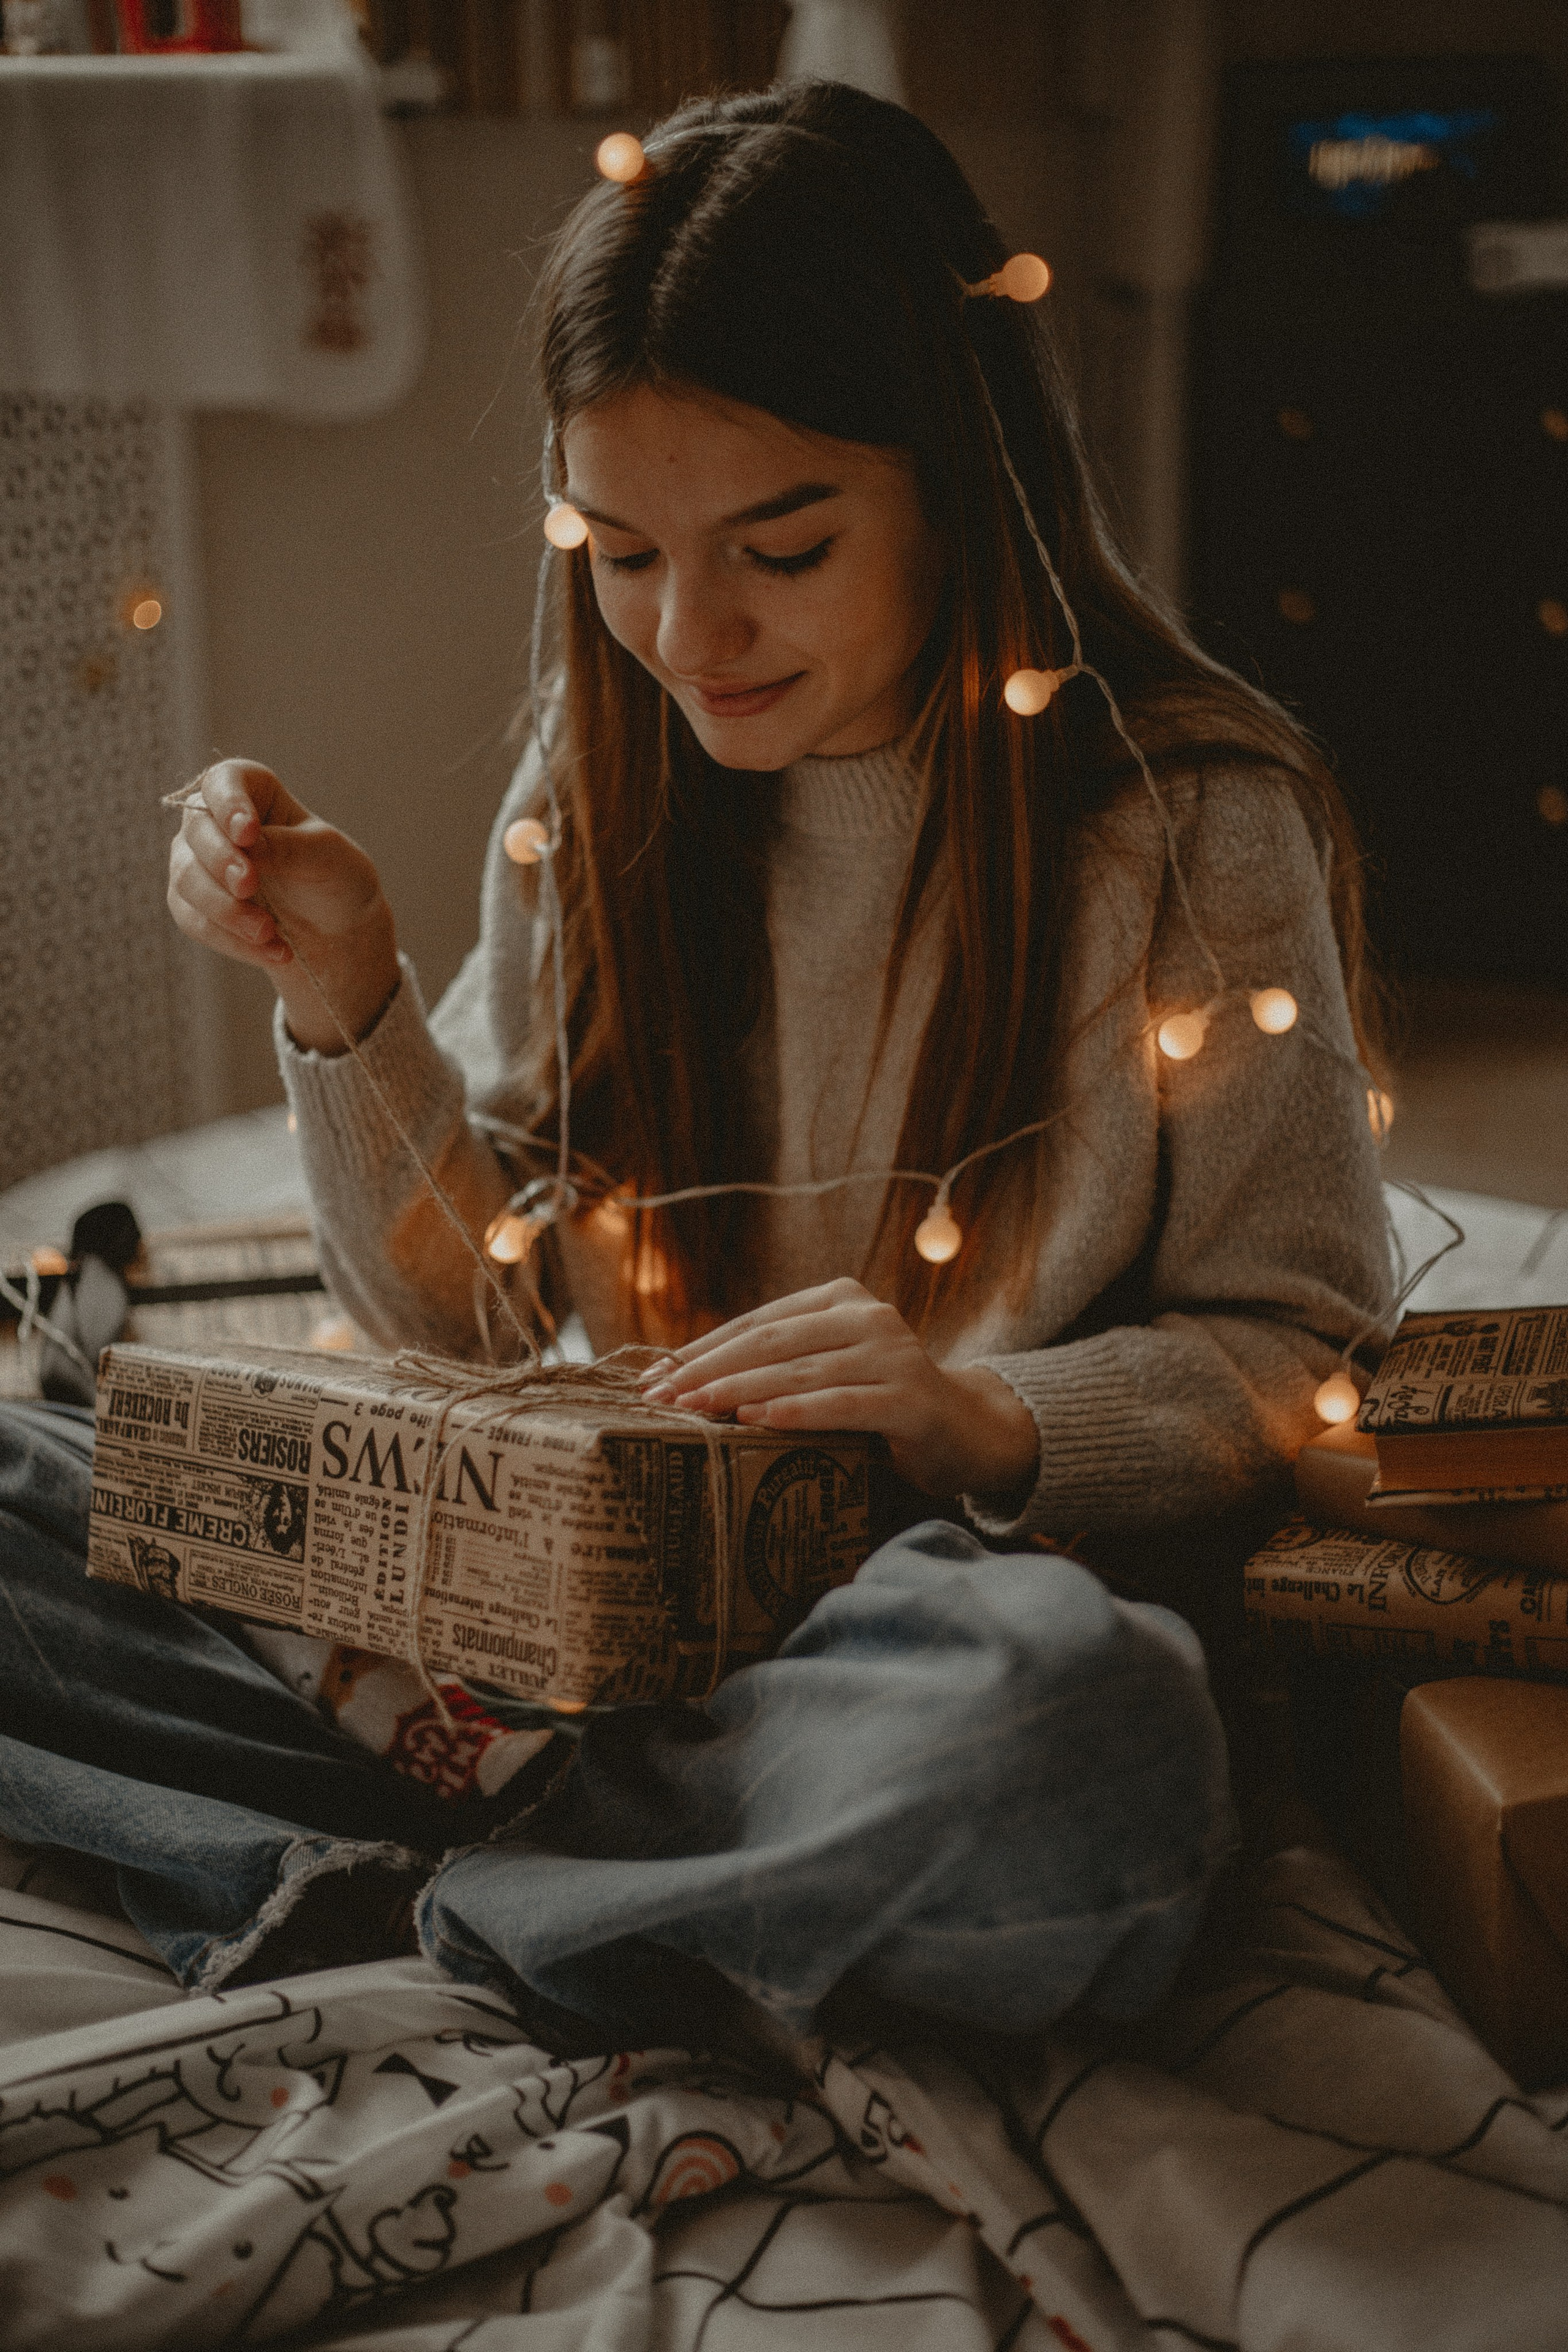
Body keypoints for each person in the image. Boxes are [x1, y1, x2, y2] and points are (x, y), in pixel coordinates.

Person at [1, 81, 1390, 2051]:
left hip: (911, 1639)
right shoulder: (604, 775)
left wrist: (982, 1417)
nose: (688, 632)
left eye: (782, 548)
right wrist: (347, 1000)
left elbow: (1301, 1353)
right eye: (622, 551)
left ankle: (447, 1862)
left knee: (1092, 1742)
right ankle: (550, 1862)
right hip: (563, 1618)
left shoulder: (1190, 827)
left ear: (963, 480)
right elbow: (471, 1322)